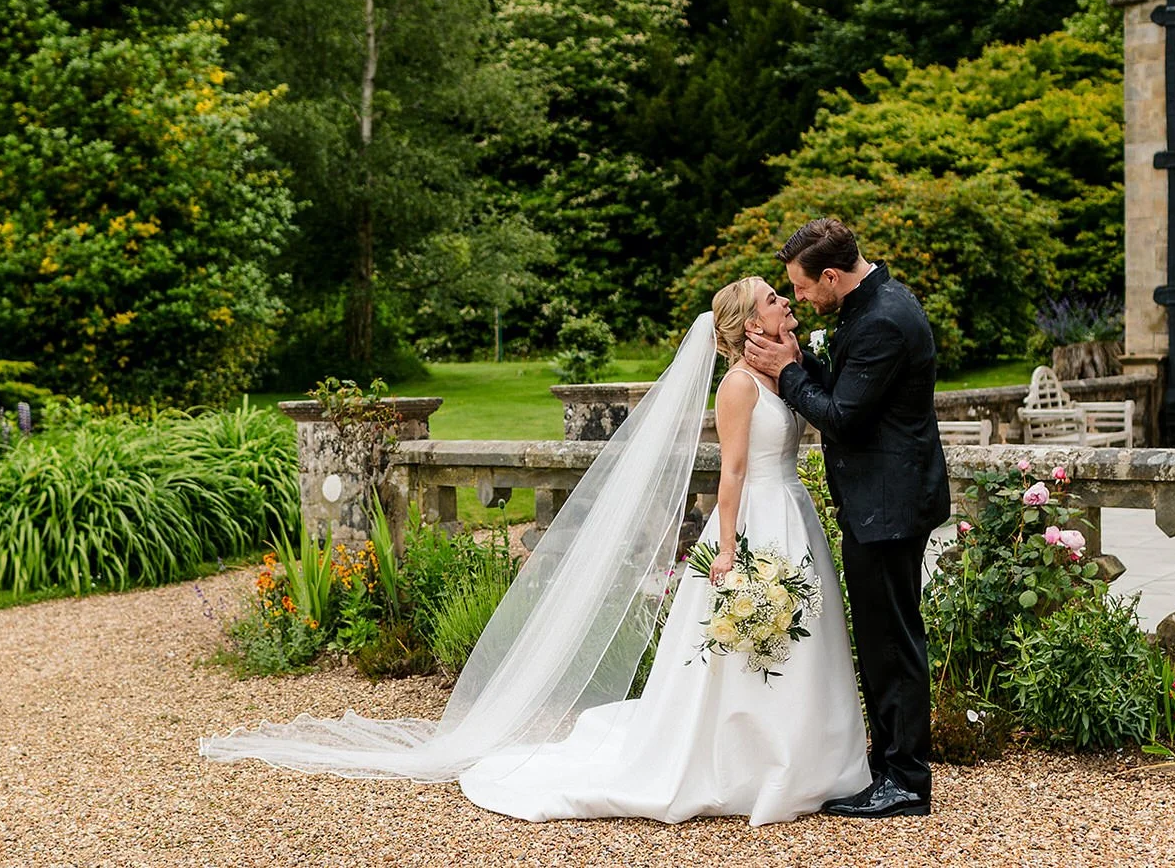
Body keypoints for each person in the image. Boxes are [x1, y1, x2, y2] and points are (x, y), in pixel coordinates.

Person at [201, 276, 870, 825]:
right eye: (773, 298)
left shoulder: (782, 372)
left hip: (792, 516)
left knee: (800, 637)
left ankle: (804, 755)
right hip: (752, 523)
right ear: (749, 323)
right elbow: (731, 472)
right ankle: (745, 763)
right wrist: (725, 551)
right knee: (741, 643)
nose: (785, 301)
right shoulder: (738, 385)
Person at [744, 218, 949, 819]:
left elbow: (842, 417)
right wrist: (802, 359)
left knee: (892, 644)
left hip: (888, 507)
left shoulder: (882, 319)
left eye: (802, 286)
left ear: (831, 275)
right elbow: (849, 388)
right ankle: (888, 765)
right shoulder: (876, 302)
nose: (798, 298)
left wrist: (787, 371)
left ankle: (905, 781)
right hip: (884, 503)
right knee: (885, 639)